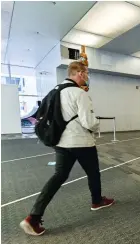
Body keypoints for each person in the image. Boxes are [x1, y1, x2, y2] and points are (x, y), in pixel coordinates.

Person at [20, 61, 114, 236]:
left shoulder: (54, 91)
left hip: (61, 143)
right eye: (86, 73)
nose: (87, 77)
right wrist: (97, 124)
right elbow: (89, 122)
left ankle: (33, 217)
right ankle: (96, 201)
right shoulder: (79, 94)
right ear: (78, 73)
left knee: (58, 176)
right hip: (81, 142)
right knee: (93, 173)